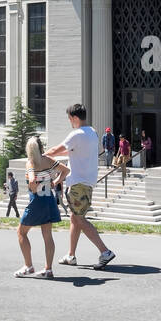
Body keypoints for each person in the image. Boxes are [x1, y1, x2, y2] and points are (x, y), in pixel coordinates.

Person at [44, 103, 117, 270]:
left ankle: (105, 252)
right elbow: (69, 151)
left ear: (75, 118)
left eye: (70, 118)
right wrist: (51, 154)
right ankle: (71, 255)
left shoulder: (76, 134)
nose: (69, 121)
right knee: (74, 219)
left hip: (77, 183)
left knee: (79, 219)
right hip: (86, 183)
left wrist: (41, 155)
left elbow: (57, 149)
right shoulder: (91, 132)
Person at [15, 136, 69, 279]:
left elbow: (32, 180)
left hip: (37, 201)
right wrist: (55, 182)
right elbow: (66, 170)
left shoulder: (31, 162)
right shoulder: (48, 160)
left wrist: (34, 188)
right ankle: (48, 269)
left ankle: (28, 266)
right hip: (49, 200)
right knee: (47, 235)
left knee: (21, 232)